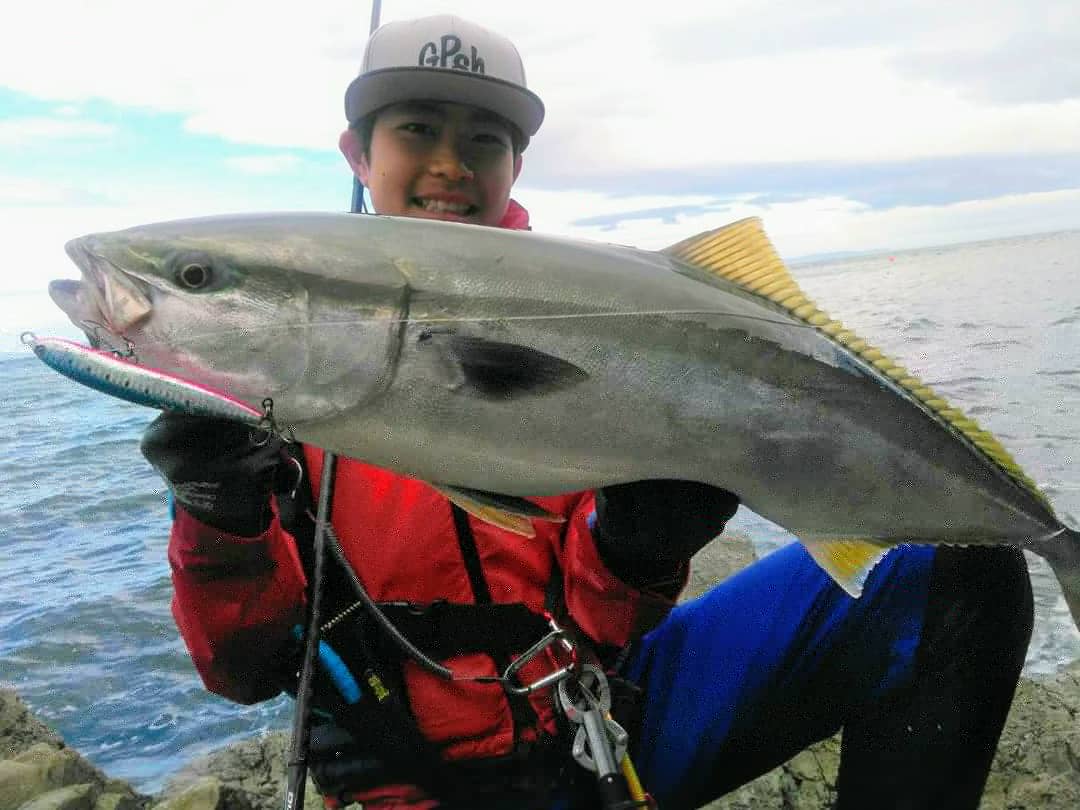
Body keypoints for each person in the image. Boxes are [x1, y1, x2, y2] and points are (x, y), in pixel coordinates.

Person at [140, 14, 1034, 810]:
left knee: (955, 569)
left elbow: (605, 624)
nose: (450, 164)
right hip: (399, 779)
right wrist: (219, 516)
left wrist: (636, 550)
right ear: (356, 154)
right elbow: (241, 669)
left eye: (483, 139)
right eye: (417, 129)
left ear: (516, 163)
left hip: (598, 731)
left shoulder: (609, 328)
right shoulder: (267, 384)